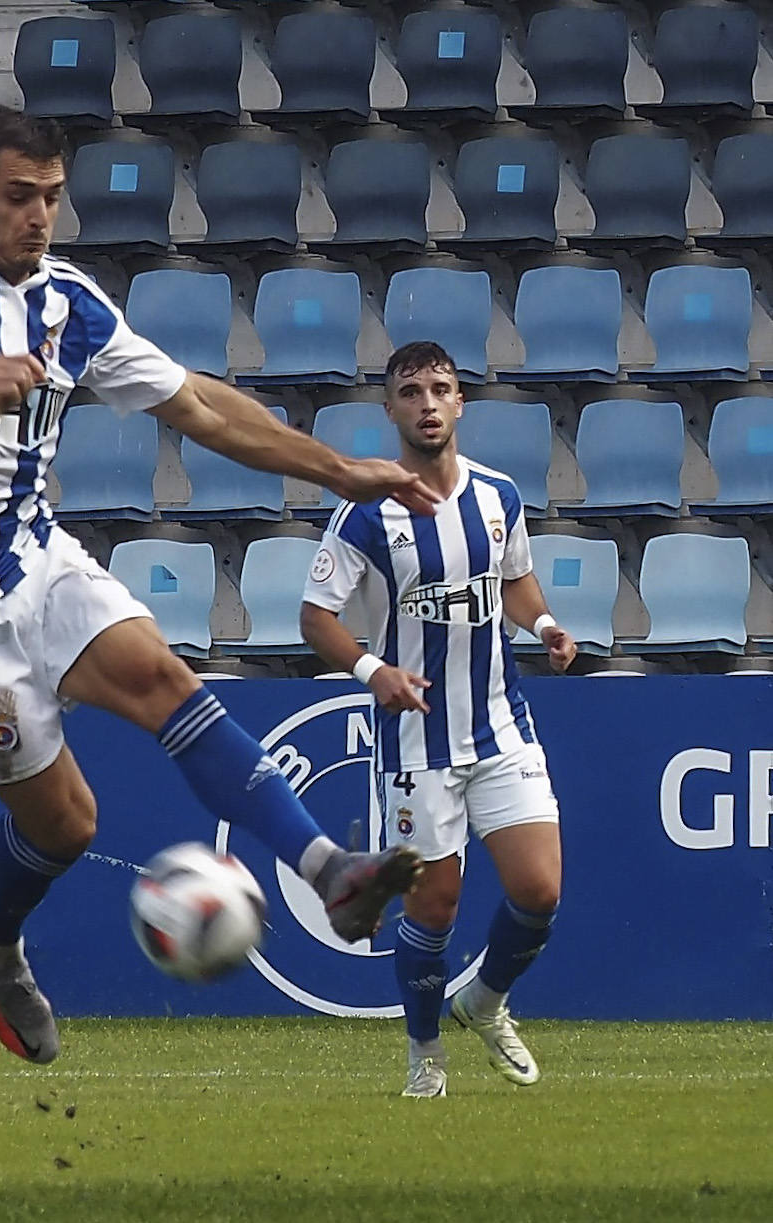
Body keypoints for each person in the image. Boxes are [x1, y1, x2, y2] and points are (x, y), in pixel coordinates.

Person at [0, 106, 438, 1067]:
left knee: (164, 677)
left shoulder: (69, 301)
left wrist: (337, 468)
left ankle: (331, 870)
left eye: (52, 199)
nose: (38, 218)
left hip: (30, 555)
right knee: (68, 823)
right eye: (17, 197)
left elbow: (196, 403)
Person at [299, 340, 576, 1098]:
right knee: (435, 906)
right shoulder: (365, 513)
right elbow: (315, 616)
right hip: (416, 742)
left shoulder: (499, 496)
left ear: (461, 404)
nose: (427, 402)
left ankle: (483, 1000)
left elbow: (513, 580)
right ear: (390, 408)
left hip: (500, 726)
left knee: (540, 890)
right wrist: (372, 670)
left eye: (441, 388)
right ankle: (426, 1054)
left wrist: (545, 624)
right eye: (411, 390)